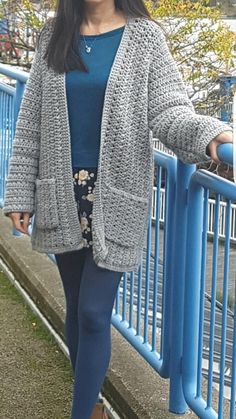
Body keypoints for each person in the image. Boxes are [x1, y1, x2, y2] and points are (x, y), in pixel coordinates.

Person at [2, 0, 233, 418]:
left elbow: (169, 110)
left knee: (94, 311)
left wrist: (212, 134)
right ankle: (91, 406)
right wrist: (19, 193)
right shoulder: (54, 34)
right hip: (59, 191)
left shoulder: (145, 37)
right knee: (76, 306)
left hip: (117, 194)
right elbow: (31, 119)